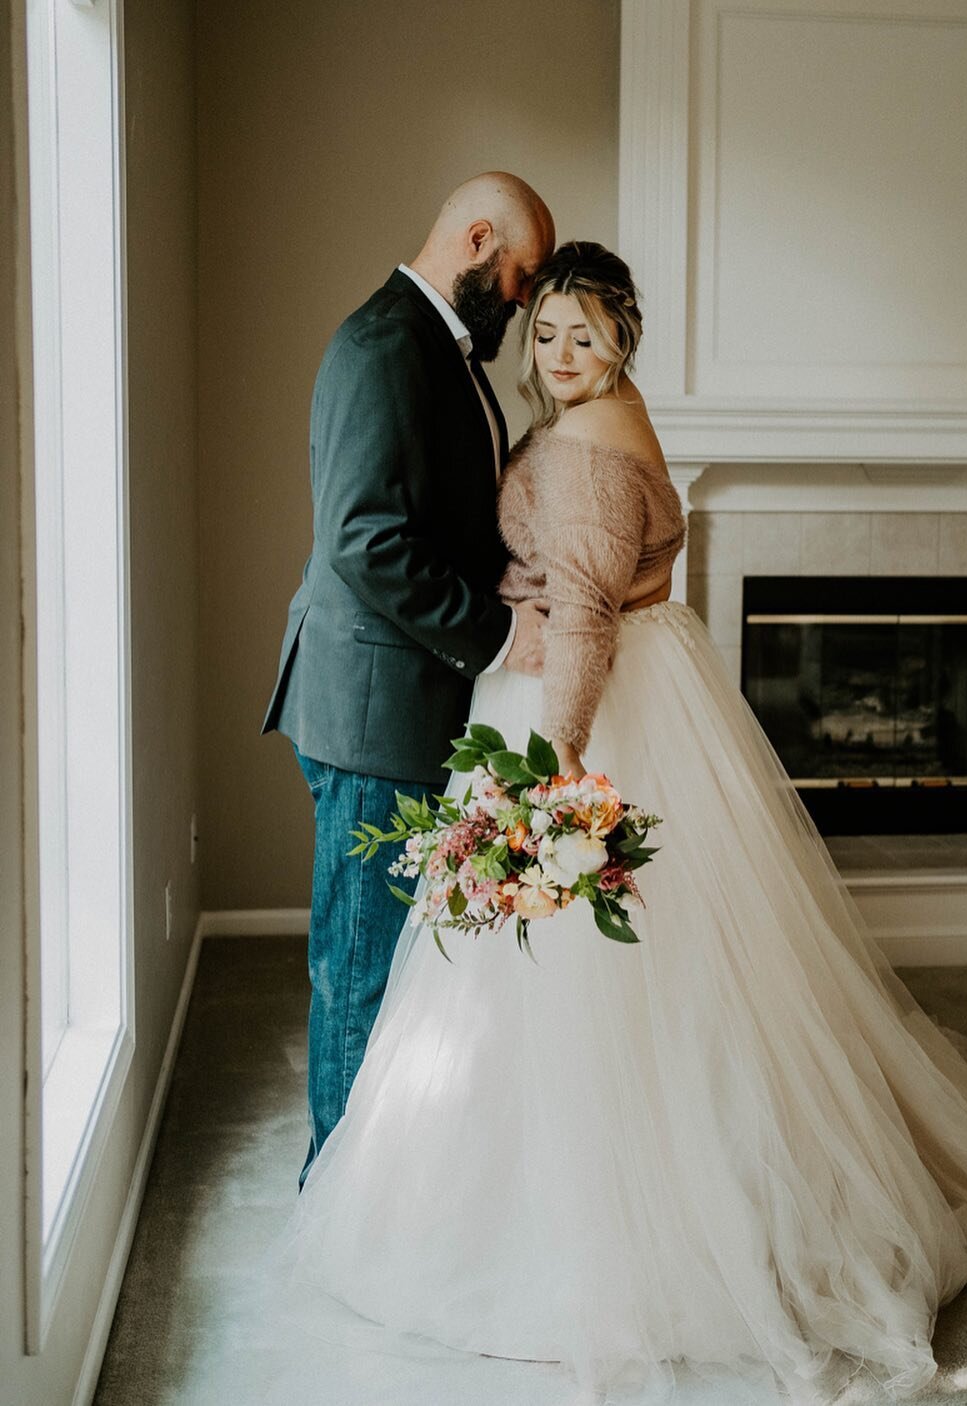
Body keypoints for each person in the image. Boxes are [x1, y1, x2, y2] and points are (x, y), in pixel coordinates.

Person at [280, 242, 967, 1402]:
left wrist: (554, 765)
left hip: (583, 712)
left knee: (582, 984)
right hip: (615, 692)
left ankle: (600, 1220)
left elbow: (591, 616)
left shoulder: (592, 456)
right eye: (547, 332)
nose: (559, 356)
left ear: (622, 342)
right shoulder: (618, 417)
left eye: (584, 337)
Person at [261, 174, 555, 1187]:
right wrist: (499, 633)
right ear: (477, 239)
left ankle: (382, 1193)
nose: (521, 307)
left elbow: (445, 519)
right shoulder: (386, 344)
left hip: (408, 701)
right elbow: (366, 540)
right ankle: (331, 1199)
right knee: (361, 972)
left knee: (405, 969)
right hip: (370, 714)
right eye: (517, 281)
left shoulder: (443, 349)